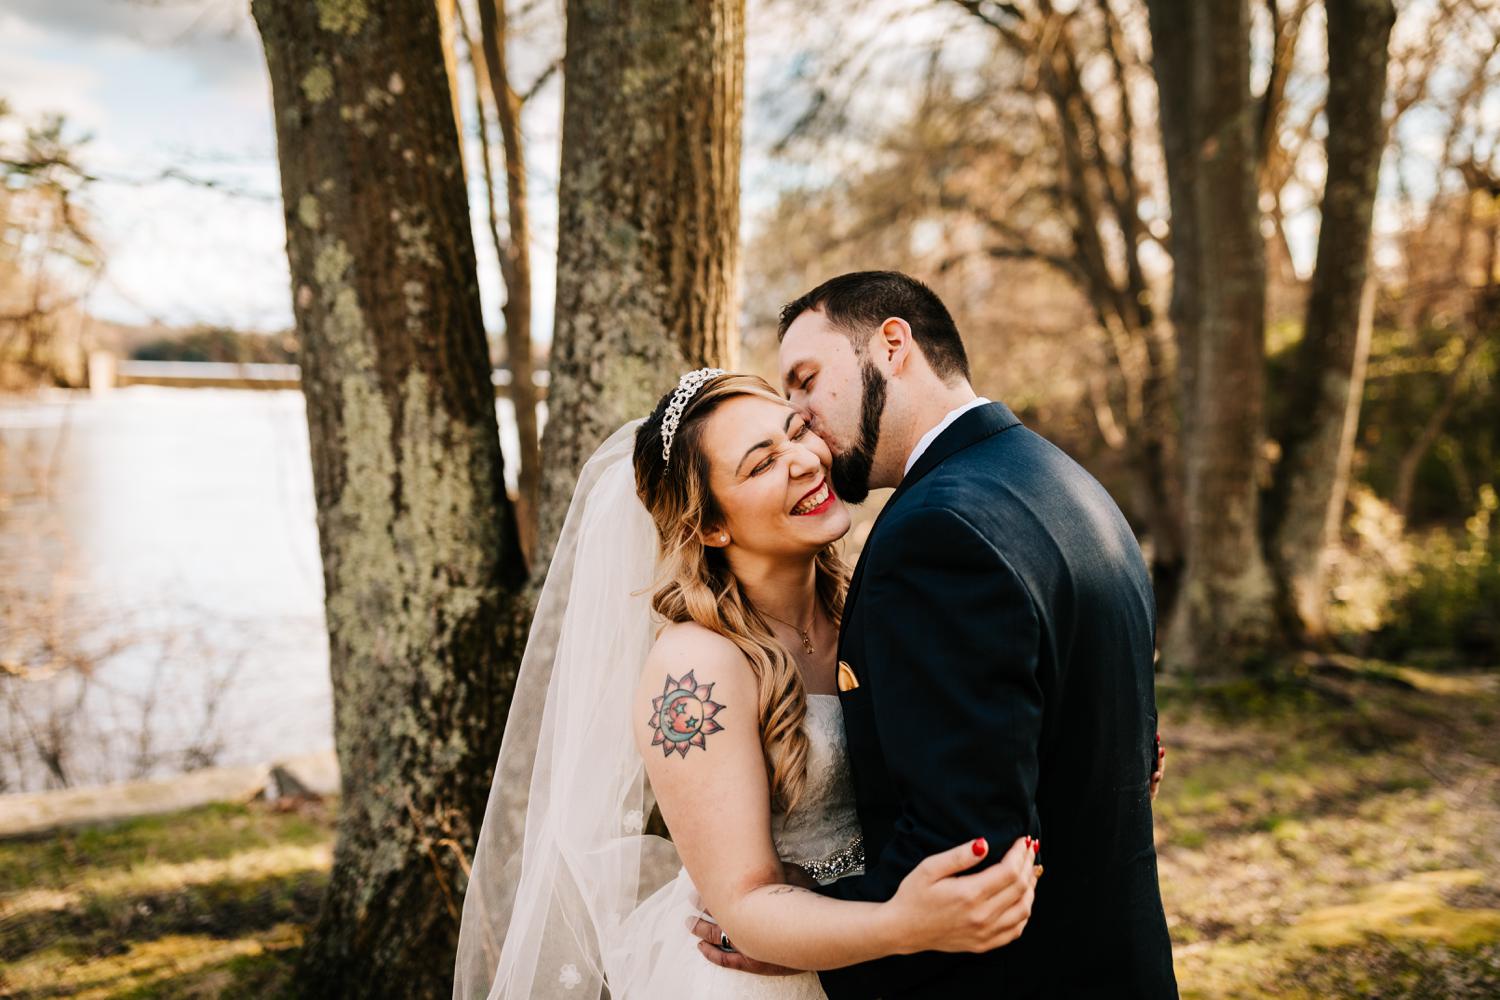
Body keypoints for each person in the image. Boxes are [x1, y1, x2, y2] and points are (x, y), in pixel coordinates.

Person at [453, 369, 1044, 1000]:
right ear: (710, 526)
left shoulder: (868, 609)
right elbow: (743, 905)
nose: (804, 462)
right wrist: (898, 924)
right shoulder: (695, 670)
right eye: (761, 465)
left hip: (888, 965)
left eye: (797, 433)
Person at [695, 271, 1178, 998]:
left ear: (893, 344)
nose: (802, 422)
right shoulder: (1064, 482)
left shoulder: (933, 536)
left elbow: (966, 859)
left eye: (805, 381)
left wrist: (799, 928)